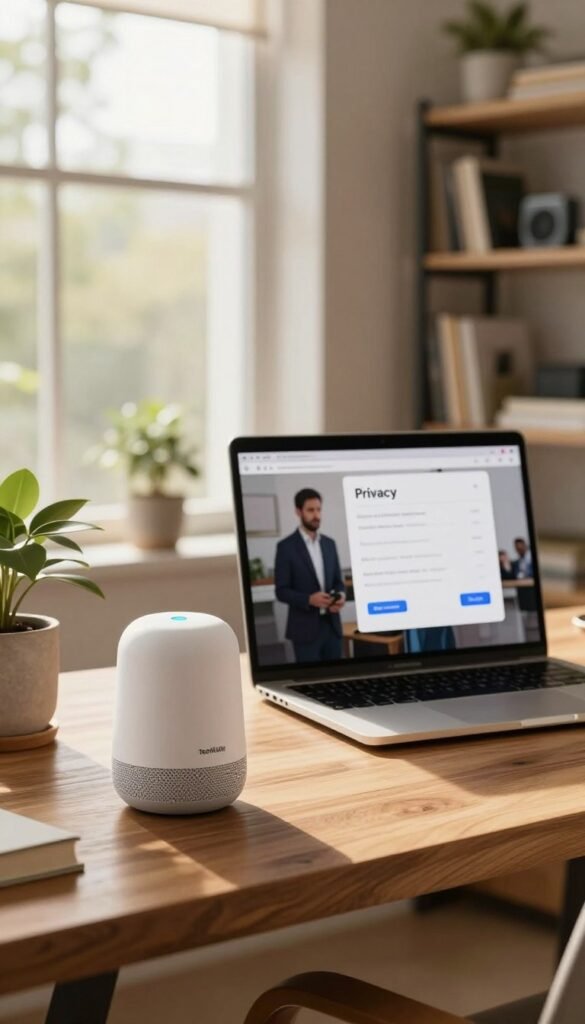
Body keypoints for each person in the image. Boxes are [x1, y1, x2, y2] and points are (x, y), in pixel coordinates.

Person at [274, 488, 346, 663]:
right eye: (311, 510)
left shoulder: (329, 544)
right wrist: (308, 599)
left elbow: (338, 581)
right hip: (304, 629)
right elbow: (281, 591)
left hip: (332, 626)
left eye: (319, 510)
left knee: (336, 679)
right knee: (310, 682)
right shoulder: (286, 547)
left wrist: (341, 595)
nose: (316, 515)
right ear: (298, 511)